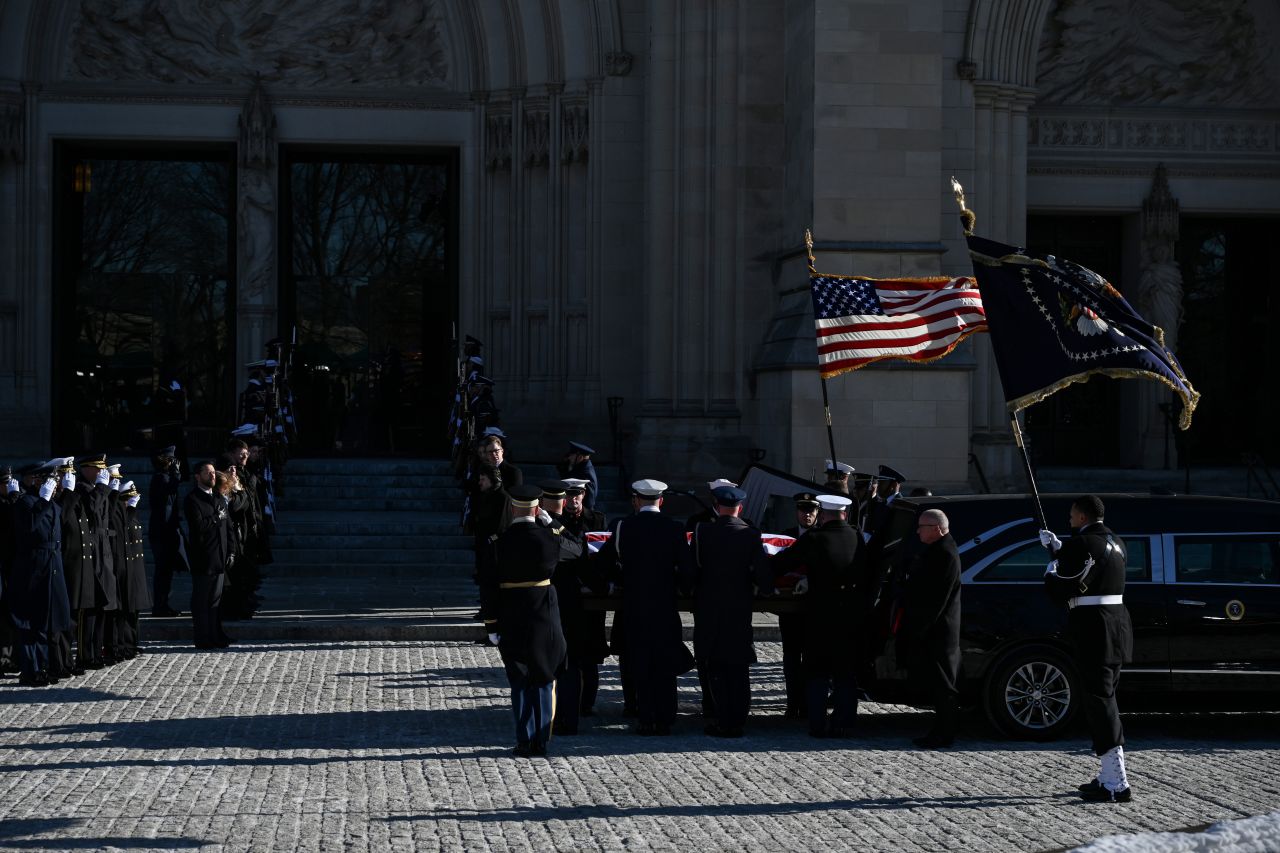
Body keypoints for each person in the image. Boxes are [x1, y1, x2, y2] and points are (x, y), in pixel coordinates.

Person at [1041, 495, 1134, 803]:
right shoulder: (1117, 541)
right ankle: (1110, 774)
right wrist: (1060, 548)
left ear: (1081, 516)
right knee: (1105, 700)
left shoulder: (1081, 544)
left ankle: (1116, 783)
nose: (1069, 520)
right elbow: (1090, 569)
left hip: (1094, 629)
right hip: (1116, 626)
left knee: (1100, 702)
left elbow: (1059, 588)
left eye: (1071, 516)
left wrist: (1051, 562)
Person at [597, 479, 694, 735]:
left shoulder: (624, 527)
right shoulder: (674, 528)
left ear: (636, 500)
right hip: (664, 605)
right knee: (664, 662)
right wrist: (686, 590)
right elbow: (686, 569)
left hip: (634, 604)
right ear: (661, 501)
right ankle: (665, 717)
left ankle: (646, 717)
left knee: (640, 662)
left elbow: (603, 563)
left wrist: (608, 585)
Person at [482, 484, 567, 757]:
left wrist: (491, 624)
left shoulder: (497, 541)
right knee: (543, 676)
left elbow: (488, 586)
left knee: (519, 679)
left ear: (512, 507)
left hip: (510, 614)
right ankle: (541, 740)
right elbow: (577, 548)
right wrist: (551, 521)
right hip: (543, 613)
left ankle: (523, 738)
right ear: (537, 507)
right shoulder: (550, 537)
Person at [683, 485, 773, 737]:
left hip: (709, 607)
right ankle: (739, 718)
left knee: (716, 667)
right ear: (740, 508)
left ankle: (723, 718)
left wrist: (687, 590)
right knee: (738, 665)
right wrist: (765, 590)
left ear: (716, 506)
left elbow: (692, 570)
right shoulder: (751, 535)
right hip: (739, 609)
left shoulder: (703, 531)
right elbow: (764, 577)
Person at [770, 493, 862, 738]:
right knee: (845, 672)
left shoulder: (815, 537)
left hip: (820, 614)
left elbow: (783, 563)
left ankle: (818, 723)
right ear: (844, 513)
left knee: (818, 670)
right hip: (849, 616)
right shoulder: (857, 537)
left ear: (823, 514)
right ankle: (844, 722)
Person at [898, 508, 961, 748]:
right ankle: (941, 729)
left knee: (944, 684)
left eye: (922, 527)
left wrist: (919, 630)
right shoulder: (938, 549)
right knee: (939, 683)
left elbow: (937, 598)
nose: (917, 531)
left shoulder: (944, 553)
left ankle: (945, 733)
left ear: (936, 528)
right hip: (936, 629)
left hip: (939, 631)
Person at [8, 462, 72, 685]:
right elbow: (29, 529)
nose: (51, 485)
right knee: (29, 623)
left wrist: (52, 499)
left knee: (46, 621)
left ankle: (43, 667)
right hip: (32, 568)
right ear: (34, 480)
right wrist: (43, 501)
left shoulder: (50, 503)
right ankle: (30, 670)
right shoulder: (25, 503)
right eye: (46, 480)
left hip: (52, 566)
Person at [560, 478, 609, 716]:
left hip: (592, 596)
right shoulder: (556, 520)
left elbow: (603, 555)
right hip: (569, 593)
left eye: (577, 494)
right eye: (569, 495)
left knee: (591, 654)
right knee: (569, 652)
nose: (573, 499)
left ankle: (587, 702)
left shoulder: (596, 518)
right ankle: (568, 701)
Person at [778, 491, 820, 718]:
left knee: (811, 658)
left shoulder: (821, 537)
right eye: (803, 510)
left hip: (811, 609)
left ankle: (809, 704)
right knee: (791, 658)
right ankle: (793, 702)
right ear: (797, 512)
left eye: (812, 511)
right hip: (789, 608)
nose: (807, 515)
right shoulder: (785, 536)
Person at [185, 461, 235, 650]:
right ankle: (202, 637)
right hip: (203, 559)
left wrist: (231, 550)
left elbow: (228, 527)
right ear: (198, 476)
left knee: (215, 602)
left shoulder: (219, 498)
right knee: (201, 602)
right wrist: (216, 518)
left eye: (213, 472)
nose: (212, 476)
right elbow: (198, 527)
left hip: (220, 557)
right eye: (207, 473)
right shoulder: (192, 499)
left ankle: (215, 635)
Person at [148, 447, 186, 616]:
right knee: (163, 571)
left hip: (166, 530)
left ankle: (163, 604)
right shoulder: (160, 479)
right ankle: (160, 605)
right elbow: (167, 493)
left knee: (167, 571)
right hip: (161, 532)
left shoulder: (165, 478)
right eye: (171, 461)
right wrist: (176, 475)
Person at [558, 442, 599, 511]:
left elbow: (589, 501)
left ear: (580, 457)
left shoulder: (585, 473)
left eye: (572, 455)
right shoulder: (581, 468)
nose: (569, 458)